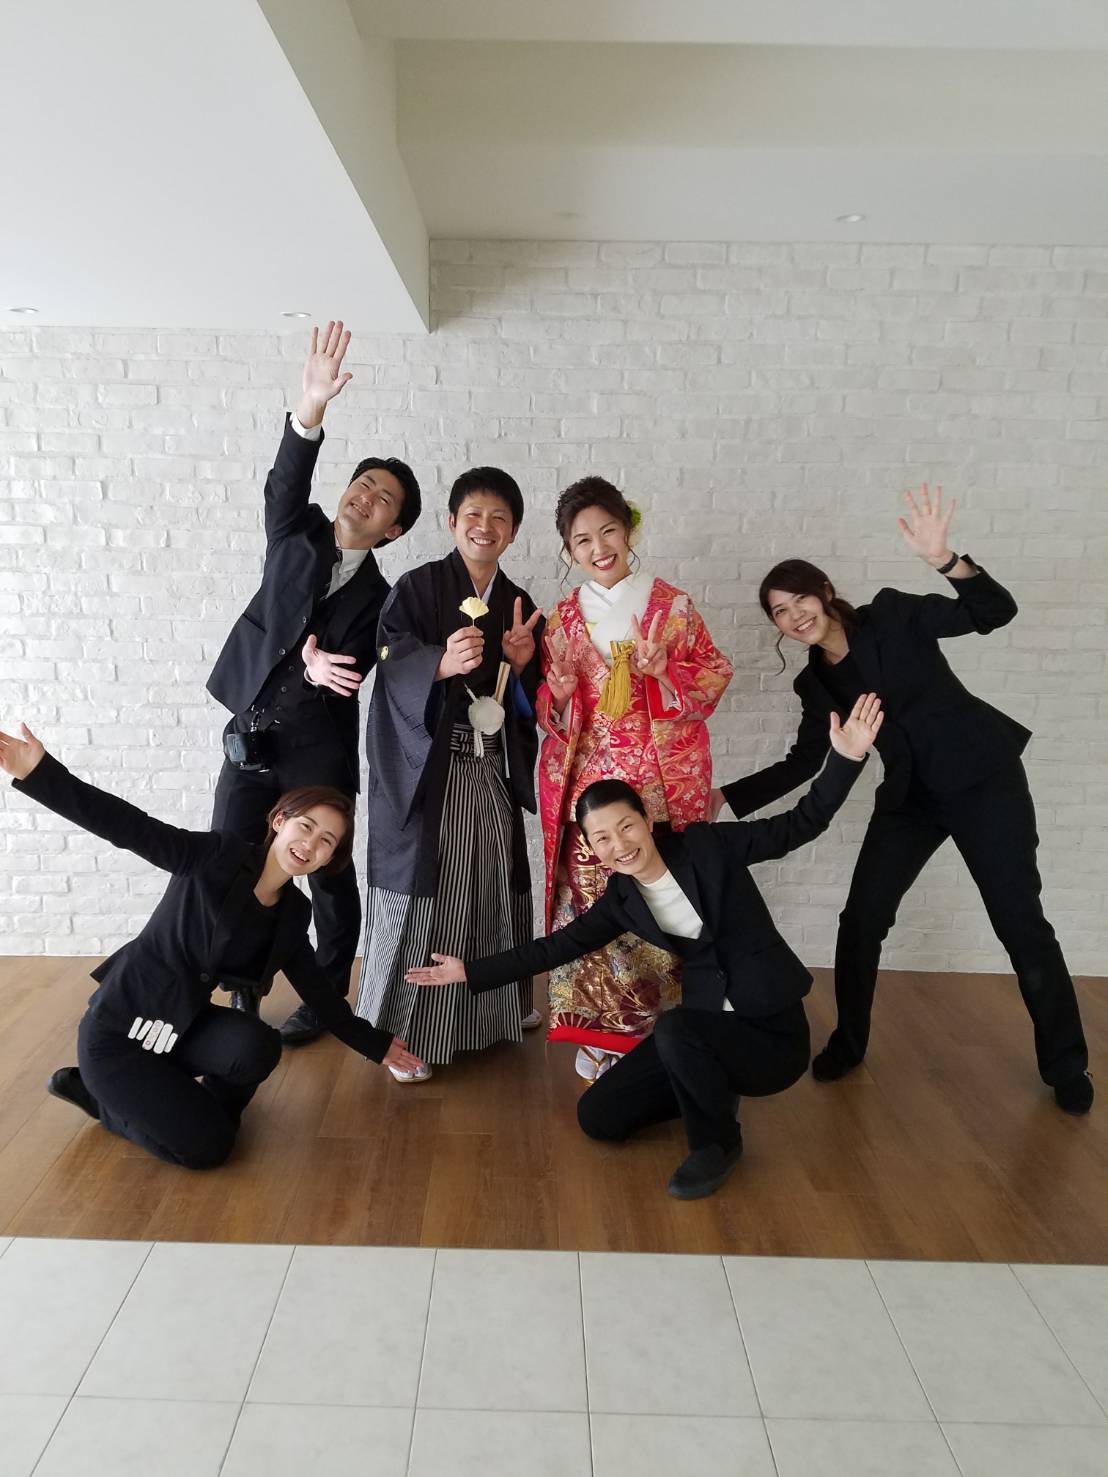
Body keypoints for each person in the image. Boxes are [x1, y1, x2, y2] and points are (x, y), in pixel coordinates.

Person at [407, 696, 883, 1198]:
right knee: (599, 1117)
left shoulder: (706, 847)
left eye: (626, 826)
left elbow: (802, 823)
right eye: (602, 839)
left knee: (674, 1026)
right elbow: (556, 948)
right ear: (593, 848)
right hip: (705, 1030)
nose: (620, 845)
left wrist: (846, 757)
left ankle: (717, 1143)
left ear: (647, 819)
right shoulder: (622, 899)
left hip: (771, 1035)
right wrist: (469, 971)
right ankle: (707, 1084)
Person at [715, 485, 1093, 1114]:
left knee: (1019, 923)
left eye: (800, 598)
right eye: (780, 612)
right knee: (861, 920)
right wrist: (723, 797)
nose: (795, 615)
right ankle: (849, 1043)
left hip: (983, 780)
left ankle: (1066, 1064)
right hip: (912, 797)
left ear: (824, 592)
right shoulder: (816, 685)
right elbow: (804, 762)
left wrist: (946, 560)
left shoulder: (892, 614)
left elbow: (994, 611)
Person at [0, 722, 423, 1169]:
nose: (310, 844)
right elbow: (128, 826)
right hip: (118, 1035)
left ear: (328, 860)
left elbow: (320, 994)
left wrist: (378, 1046)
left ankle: (203, 1115)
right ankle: (104, 1102)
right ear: (279, 821)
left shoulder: (292, 913)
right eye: (306, 826)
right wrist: (40, 773)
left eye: (326, 842)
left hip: (179, 1027)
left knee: (258, 1046)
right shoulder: (215, 855)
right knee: (210, 1152)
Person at [206, 321, 422, 1046]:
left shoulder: (384, 597)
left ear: (393, 530)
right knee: (234, 860)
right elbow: (285, 479)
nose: (366, 497)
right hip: (250, 734)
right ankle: (239, 987)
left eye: (383, 499)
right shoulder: (293, 533)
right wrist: (311, 409)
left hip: (318, 751)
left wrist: (321, 670)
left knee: (328, 876)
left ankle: (327, 996)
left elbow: (350, 669)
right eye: (364, 484)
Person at [537, 476, 733, 1081]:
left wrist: (666, 671)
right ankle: (603, 1034)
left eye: (609, 532)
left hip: (657, 788)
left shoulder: (673, 607)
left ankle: (669, 1033)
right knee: (593, 905)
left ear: (629, 531)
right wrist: (558, 697)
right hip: (591, 791)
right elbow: (551, 710)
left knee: (663, 901)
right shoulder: (563, 618)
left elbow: (713, 675)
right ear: (569, 550)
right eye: (582, 540)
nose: (599, 548)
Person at [353, 467, 544, 1081]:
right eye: (473, 515)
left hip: (490, 765)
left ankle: (496, 1011)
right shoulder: (417, 586)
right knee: (426, 892)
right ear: (452, 522)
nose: (485, 527)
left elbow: (531, 700)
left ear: (513, 532)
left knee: (491, 881)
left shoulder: (518, 603)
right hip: (431, 770)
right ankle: (405, 1032)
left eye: (499, 518)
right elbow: (390, 657)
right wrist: (438, 663)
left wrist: (519, 665)